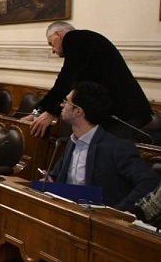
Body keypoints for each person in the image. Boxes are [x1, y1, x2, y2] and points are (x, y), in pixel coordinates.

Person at [24, 22, 153, 140]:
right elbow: (67, 84)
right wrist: (39, 111)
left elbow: (66, 78)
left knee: (108, 153)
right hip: (122, 113)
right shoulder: (84, 44)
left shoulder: (73, 38)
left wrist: (50, 112)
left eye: (51, 43)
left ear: (58, 34)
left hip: (125, 114)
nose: (52, 50)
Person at [44, 81, 158, 212]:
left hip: (98, 219)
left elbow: (150, 181)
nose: (62, 105)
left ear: (78, 111)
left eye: (66, 101)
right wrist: (49, 180)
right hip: (68, 212)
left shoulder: (117, 147)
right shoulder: (71, 142)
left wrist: (119, 212)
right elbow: (56, 176)